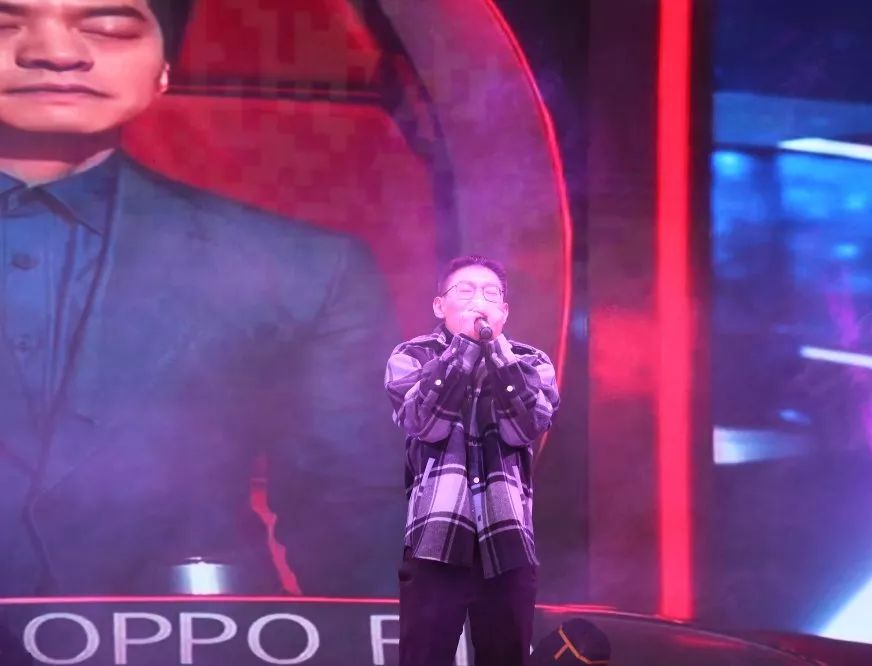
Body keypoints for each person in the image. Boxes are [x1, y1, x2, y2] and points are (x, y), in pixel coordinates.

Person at [0, 0, 399, 596]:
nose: (55, 53)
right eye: (5, 25)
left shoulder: (301, 268)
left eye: (108, 28)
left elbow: (355, 517)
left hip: (199, 635)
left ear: (165, 67)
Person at [384, 255, 560, 666]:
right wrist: (464, 347)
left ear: (504, 311)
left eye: (490, 293)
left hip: (507, 539)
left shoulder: (530, 362)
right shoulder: (411, 356)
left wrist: (496, 353)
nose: (479, 299)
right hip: (436, 538)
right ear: (439, 305)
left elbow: (524, 428)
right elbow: (425, 424)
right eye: (465, 290)